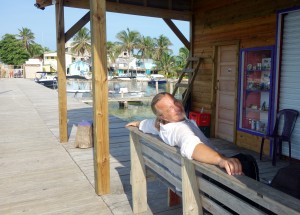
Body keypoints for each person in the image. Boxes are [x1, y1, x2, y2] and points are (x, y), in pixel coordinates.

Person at [126, 92, 243, 176]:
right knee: (246, 161)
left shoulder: (163, 125)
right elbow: (191, 146)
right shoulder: (179, 129)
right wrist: (221, 160)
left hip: (179, 174)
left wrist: (138, 123)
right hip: (206, 175)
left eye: (175, 102)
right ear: (162, 116)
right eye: (170, 108)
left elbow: (149, 124)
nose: (176, 107)